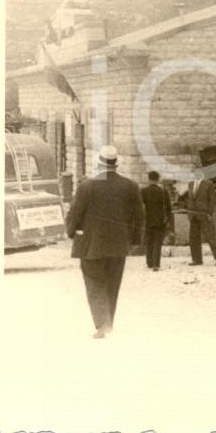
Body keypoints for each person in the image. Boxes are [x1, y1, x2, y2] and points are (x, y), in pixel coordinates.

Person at [66, 145, 145, 339]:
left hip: (91, 245)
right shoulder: (130, 186)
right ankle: (108, 323)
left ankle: (103, 324)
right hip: (119, 245)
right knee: (113, 283)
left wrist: (70, 232)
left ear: (99, 164)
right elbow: (140, 216)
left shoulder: (87, 186)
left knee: (94, 283)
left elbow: (75, 213)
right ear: (115, 164)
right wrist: (135, 240)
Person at [186, 170, 216, 266]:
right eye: (195, 172)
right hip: (193, 215)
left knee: (210, 236)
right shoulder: (190, 184)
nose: (196, 173)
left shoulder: (208, 184)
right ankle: (197, 260)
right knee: (193, 238)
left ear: (202, 173)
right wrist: (188, 210)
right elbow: (189, 198)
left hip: (204, 214)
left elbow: (212, 200)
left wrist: (210, 213)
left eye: (199, 171)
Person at [141, 170, 173, 271]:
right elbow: (168, 208)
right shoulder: (163, 191)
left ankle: (149, 262)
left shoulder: (143, 191)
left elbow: (139, 206)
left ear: (149, 179)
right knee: (157, 242)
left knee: (149, 241)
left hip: (148, 219)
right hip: (160, 220)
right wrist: (168, 219)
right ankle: (156, 264)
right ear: (158, 179)